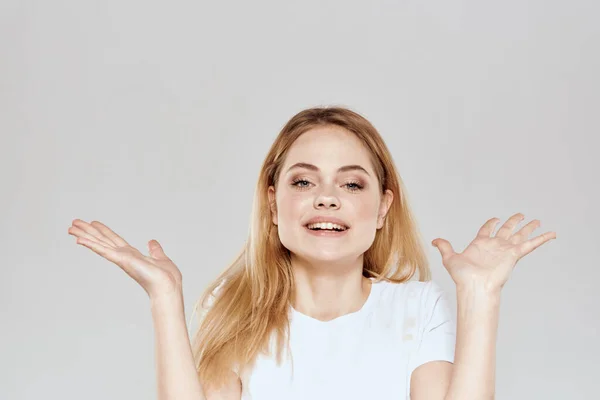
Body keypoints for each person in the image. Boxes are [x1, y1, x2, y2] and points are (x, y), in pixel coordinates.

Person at [68, 106, 556, 400]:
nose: (327, 197)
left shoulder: (418, 307)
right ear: (273, 203)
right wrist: (164, 298)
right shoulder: (236, 306)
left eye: (351, 182)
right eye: (303, 181)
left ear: (383, 207)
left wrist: (480, 294)